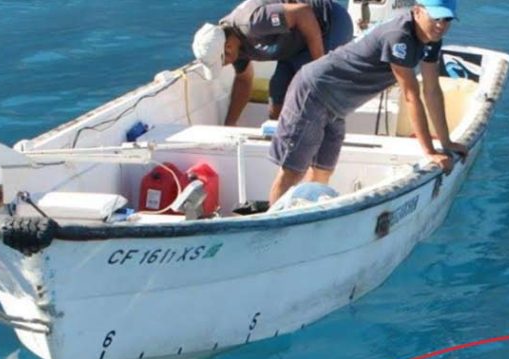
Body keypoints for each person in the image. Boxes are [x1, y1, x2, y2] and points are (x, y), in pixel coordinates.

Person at [266, 0, 468, 205]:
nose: (441, 25)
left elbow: (432, 90)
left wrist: (446, 142)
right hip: (313, 92)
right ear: (417, 11)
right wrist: (430, 152)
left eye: (446, 19)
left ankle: (303, 216)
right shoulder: (399, 37)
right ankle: (272, 229)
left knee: (323, 170)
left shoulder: (432, 41)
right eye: (435, 18)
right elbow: (411, 95)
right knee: (291, 172)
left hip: (338, 107)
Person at [192, 0, 353, 126]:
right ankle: (281, 142)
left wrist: (319, 66)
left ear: (228, 47)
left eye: (222, 62)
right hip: (294, 44)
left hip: (329, 24)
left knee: (305, 88)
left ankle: (316, 146)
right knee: (277, 93)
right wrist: (230, 123)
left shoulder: (253, 23)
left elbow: (303, 13)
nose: (224, 65)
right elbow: (243, 80)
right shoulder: (234, 48)